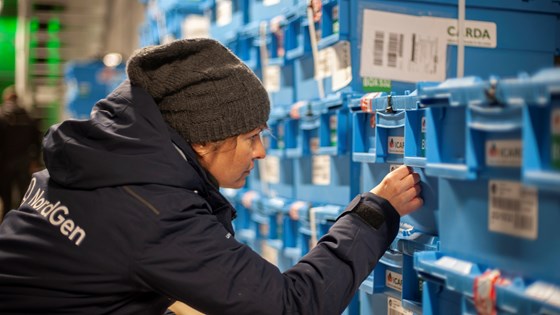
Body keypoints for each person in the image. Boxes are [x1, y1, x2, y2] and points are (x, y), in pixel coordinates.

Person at [0, 38, 422, 314]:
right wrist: (373, 213)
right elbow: (290, 307)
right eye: (252, 136)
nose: (261, 150)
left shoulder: (97, 163)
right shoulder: (154, 214)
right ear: (203, 141)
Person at [0, 85, 42, 220]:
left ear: (6, 99)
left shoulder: (2, 116)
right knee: (23, 195)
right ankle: (19, 223)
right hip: (24, 162)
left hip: (4, 163)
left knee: (5, 197)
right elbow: (37, 141)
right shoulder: (28, 116)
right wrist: (35, 160)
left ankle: (5, 224)